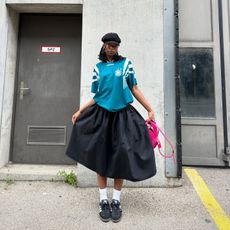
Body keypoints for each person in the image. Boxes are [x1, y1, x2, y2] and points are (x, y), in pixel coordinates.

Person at [65, 32, 157, 223]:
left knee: (121, 158)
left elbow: (134, 89)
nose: (112, 48)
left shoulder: (126, 65)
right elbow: (97, 96)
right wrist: (80, 110)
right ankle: (103, 200)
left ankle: (116, 201)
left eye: (115, 45)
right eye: (109, 45)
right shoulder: (98, 68)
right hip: (101, 116)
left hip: (123, 116)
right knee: (101, 157)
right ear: (104, 46)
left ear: (118, 47)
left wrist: (149, 109)